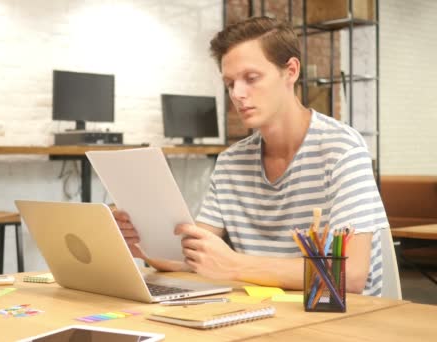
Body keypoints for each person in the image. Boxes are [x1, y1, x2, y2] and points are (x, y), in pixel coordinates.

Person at [113, 17, 388, 296]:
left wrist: (235, 266)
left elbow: (350, 275)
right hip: (265, 313)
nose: (238, 94)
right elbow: (192, 255)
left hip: (340, 320)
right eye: (230, 83)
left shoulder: (342, 150)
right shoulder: (231, 162)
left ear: (291, 71)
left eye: (251, 78)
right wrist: (142, 245)